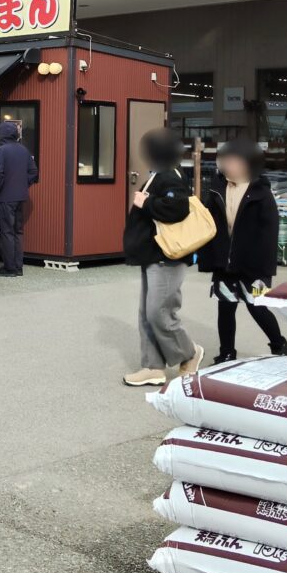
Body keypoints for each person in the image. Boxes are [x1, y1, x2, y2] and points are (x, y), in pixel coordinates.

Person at [122, 129, 202, 386]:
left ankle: (189, 353)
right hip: (154, 254)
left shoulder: (169, 175)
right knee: (147, 313)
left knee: (159, 312)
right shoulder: (161, 173)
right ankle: (153, 366)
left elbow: (177, 208)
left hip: (166, 256)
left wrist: (146, 203)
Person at [199, 138, 287, 363]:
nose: (228, 165)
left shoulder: (260, 192)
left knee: (257, 306)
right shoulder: (217, 188)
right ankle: (227, 352)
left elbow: (269, 234)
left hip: (253, 265)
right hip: (224, 263)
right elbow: (207, 224)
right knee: (225, 308)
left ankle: (279, 345)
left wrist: (265, 267)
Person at [0, 120, 38, 277]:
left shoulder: (1, 151)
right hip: (21, 196)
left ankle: (9, 268)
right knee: (18, 232)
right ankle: (18, 266)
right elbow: (33, 173)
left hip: (5, 197)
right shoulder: (24, 150)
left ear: (1, 134)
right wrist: (23, 185)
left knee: (7, 232)